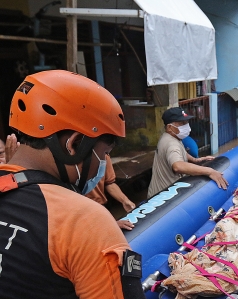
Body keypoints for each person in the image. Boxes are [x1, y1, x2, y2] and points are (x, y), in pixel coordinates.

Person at [0, 70, 145, 298]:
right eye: (104, 153)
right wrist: (94, 231)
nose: (103, 163)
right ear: (74, 144)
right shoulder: (84, 222)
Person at [147, 107, 228, 198]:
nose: (186, 125)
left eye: (186, 122)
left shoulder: (171, 136)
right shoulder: (171, 144)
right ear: (169, 127)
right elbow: (178, 166)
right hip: (162, 198)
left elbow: (180, 152)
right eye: (182, 123)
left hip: (156, 191)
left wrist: (195, 160)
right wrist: (209, 171)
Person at [85, 154, 136, 230]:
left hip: (100, 207)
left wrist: (124, 200)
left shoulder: (103, 154)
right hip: (83, 212)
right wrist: (108, 224)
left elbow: (109, 182)